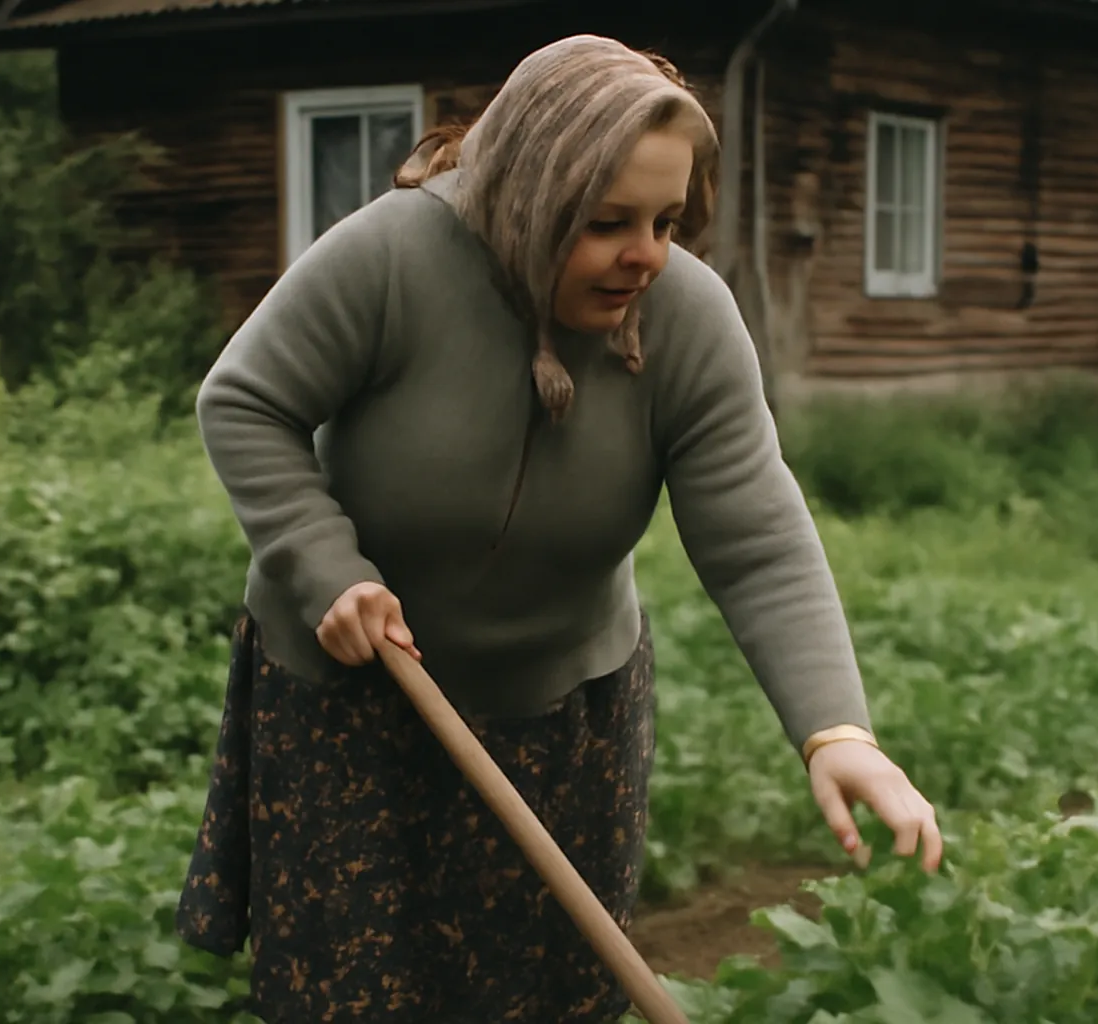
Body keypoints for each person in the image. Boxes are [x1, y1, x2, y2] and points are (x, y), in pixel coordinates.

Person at [175, 32, 943, 1024]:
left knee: (545, 997)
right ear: (530, 192)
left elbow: (756, 532)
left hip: (562, 720)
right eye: (607, 221)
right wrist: (323, 565)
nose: (646, 254)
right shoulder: (391, 259)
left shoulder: (687, 319)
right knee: (353, 1000)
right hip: (353, 704)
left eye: (668, 219)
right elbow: (244, 400)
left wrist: (837, 730)